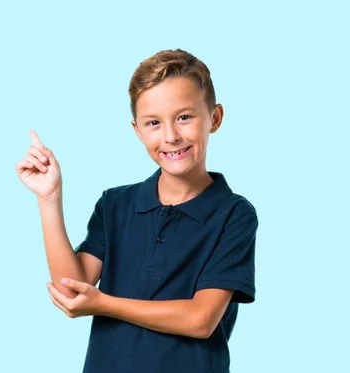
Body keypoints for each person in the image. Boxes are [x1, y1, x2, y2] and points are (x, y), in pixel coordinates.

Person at [15, 48, 258, 373]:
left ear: (214, 118)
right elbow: (71, 289)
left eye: (184, 117)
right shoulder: (114, 205)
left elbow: (201, 320)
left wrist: (104, 304)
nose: (171, 136)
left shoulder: (234, 214)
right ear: (138, 131)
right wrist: (49, 198)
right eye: (154, 123)